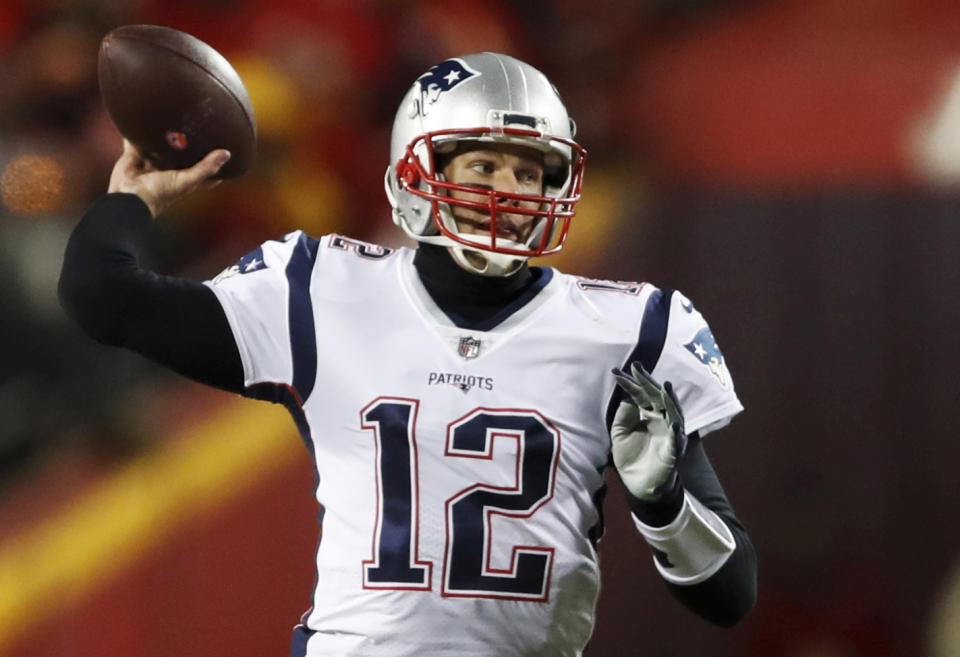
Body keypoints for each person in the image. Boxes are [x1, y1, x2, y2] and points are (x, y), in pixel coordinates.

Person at [59, 52, 757, 657]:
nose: (507, 191)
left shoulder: (628, 327)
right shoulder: (324, 290)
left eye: (529, 169)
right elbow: (103, 297)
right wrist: (132, 200)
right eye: (482, 163)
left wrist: (665, 505)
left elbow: (731, 594)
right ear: (415, 172)